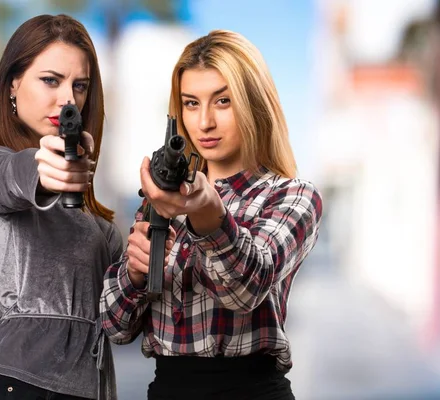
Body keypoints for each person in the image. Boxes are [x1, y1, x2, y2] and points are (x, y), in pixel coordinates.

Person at [100, 29, 323, 400]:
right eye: (191, 103)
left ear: (254, 103)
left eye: (222, 101)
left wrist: (208, 215)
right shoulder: (162, 198)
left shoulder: (292, 196)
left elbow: (246, 289)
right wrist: (134, 274)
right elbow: (115, 327)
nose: (204, 122)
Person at [0, 14, 122, 400]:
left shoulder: (92, 222)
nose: (68, 98)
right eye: (50, 80)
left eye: (79, 85)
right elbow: (8, 177)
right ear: (13, 84)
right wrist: (42, 170)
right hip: (21, 383)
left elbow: (124, 313)